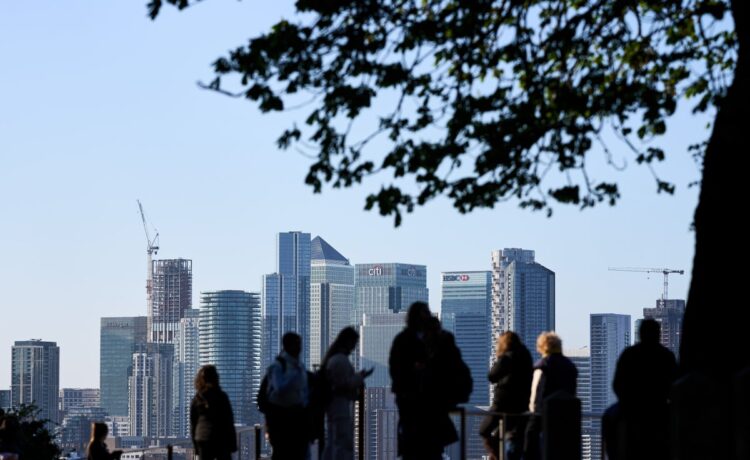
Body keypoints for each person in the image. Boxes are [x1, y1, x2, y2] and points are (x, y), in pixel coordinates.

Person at [389, 302, 457, 460]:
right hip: (421, 401)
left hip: (416, 401)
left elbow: (395, 370)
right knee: (426, 444)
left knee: (416, 443)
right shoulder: (434, 339)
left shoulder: (404, 340)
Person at [603, 319, 677, 460]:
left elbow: (617, 384)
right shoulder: (666, 356)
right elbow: (674, 387)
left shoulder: (629, 354)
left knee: (608, 417)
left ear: (640, 334)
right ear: (658, 334)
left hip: (631, 408)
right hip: (660, 409)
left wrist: (628, 401)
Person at [320, 327, 373, 460]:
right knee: (342, 442)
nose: (354, 348)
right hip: (340, 407)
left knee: (333, 442)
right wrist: (360, 377)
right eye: (354, 343)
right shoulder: (340, 361)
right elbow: (344, 384)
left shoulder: (334, 359)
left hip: (334, 407)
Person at [480, 331, 533, 460]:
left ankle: (496, 456)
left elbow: (492, 376)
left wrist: (499, 358)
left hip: (503, 403)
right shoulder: (526, 356)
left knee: (484, 430)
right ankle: (497, 455)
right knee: (503, 435)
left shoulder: (507, 357)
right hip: (521, 406)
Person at [525, 331, 577, 460]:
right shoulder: (570, 366)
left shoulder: (542, 366)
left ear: (542, 347)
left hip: (543, 415)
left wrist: (533, 412)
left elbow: (535, 393)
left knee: (530, 441)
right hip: (566, 417)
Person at [264, 332, 310, 460]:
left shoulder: (299, 365)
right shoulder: (278, 365)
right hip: (282, 419)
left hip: (297, 417)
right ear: (288, 346)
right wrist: (294, 377)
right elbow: (279, 388)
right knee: (282, 452)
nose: (300, 348)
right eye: (297, 344)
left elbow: (304, 390)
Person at [190, 365, 237, 460]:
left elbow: (193, 424)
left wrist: (195, 446)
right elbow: (229, 421)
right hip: (221, 437)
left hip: (203, 437)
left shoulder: (197, 399)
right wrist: (233, 444)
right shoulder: (222, 397)